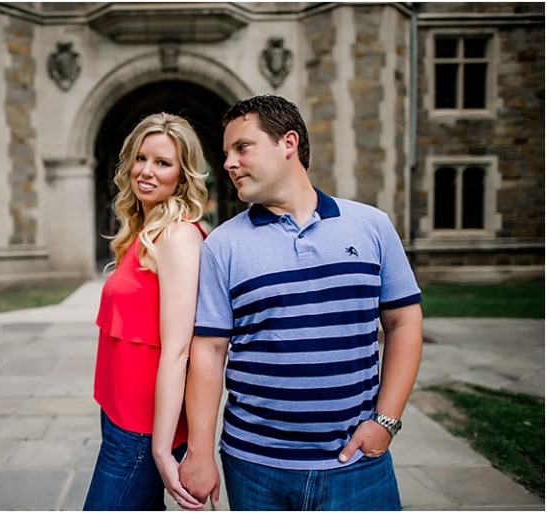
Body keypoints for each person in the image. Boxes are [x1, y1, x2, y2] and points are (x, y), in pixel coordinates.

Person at [178, 94, 423, 511]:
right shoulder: (222, 245)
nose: (229, 164)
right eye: (226, 154)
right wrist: (200, 451)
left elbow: (404, 323)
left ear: (288, 143)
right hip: (255, 466)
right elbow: (209, 349)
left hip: (357, 465)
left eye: (242, 148)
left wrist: (385, 421)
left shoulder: (372, 226)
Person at [83, 113, 209, 511]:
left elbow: (178, 349)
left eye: (163, 163)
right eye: (141, 158)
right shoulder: (147, 230)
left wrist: (159, 447)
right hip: (120, 417)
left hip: (142, 428)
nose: (146, 171)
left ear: (183, 175)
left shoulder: (178, 236)